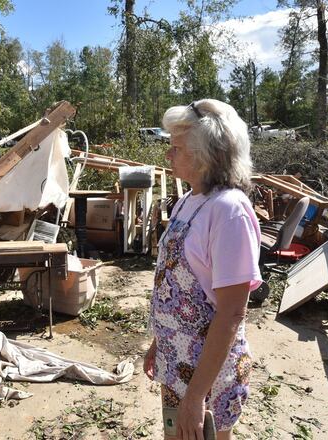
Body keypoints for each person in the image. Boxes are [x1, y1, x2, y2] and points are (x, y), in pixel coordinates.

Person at [144, 99, 262, 440]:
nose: (168, 156)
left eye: (176, 148)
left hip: (207, 377)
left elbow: (231, 314)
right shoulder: (188, 201)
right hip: (177, 364)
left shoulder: (229, 212)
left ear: (205, 154)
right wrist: (159, 341)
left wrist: (196, 396)